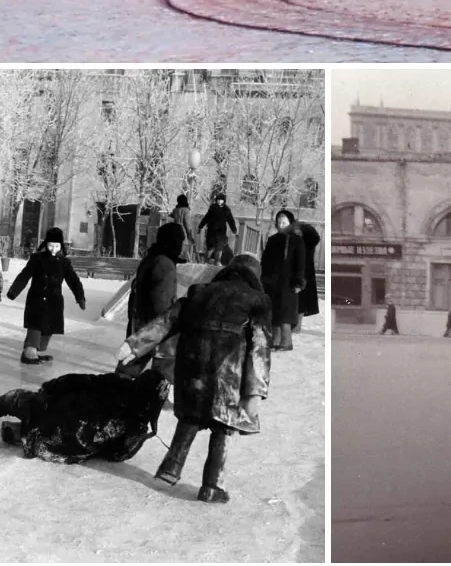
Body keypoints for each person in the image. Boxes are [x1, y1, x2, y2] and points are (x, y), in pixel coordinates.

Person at [117, 254, 273, 503]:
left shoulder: (200, 291)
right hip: (228, 373)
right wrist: (256, 390)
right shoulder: (258, 300)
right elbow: (260, 347)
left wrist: (135, 345)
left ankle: (171, 468)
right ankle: (212, 486)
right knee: (222, 427)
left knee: (190, 418)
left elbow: (168, 321)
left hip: (193, 366)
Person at [0, 366, 169, 464]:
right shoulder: (137, 428)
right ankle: (20, 433)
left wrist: (50, 387)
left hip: (52, 410)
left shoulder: (118, 383)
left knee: (13, 398)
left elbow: (77, 380)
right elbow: (118, 455)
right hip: (56, 448)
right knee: (51, 431)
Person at [6, 228, 86, 365]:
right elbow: (25, 275)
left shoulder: (64, 262)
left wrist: (80, 297)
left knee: (49, 326)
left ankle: (37, 350)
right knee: (35, 325)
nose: (53, 249)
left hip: (54, 300)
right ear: (45, 244)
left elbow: (73, 280)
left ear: (61, 246)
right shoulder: (37, 259)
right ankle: (29, 351)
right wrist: (14, 291)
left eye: (56, 246)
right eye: (50, 245)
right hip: (36, 298)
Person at [126, 222, 184, 338]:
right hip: (153, 332)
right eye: (180, 241)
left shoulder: (152, 258)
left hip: (141, 327)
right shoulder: (164, 264)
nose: (181, 246)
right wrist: (168, 328)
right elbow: (161, 302)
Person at [260, 210, 306, 351]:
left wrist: (299, 281)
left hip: (289, 282)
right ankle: (275, 341)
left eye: (284, 222)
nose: (281, 225)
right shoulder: (272, 240)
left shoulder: (296, 240)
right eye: (279, 222)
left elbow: (301, 263)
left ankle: (286, 343)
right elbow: (265, 260)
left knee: (285, 312)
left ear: (290, 224)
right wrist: (263, 278)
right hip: (272, 281)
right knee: (274, 311)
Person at [294, 222, 321, 334]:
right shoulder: (294, 243)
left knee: (301, 303)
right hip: (293, 274)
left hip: (304, 275)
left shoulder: (308, 244)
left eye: (299, 232)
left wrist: (303, 226)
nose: (297, 234)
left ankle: (297, 326)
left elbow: (315, 237)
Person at [198, 193, 237, 264]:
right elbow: (206, 218)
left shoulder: (226, 210)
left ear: (224, 201)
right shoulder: (212, 208)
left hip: (221, 232)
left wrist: (234, 229)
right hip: (212, 231)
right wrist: (200, 226)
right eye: (218, 200)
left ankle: (217, 261)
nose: (219, 201)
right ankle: (206, 261)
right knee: (210, 248)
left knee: (219, 248)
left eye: (221, 200)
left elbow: (231, 220)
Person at [171, 194, 195, 260]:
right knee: (183, 251)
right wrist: (190, 235)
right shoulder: (186, 210)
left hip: (174, 231)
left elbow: (171, 217)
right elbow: (187, 224)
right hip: (183, 231)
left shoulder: (175, 210)